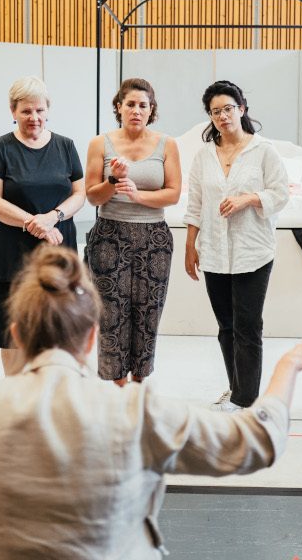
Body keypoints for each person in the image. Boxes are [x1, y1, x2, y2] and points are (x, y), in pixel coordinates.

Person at [0, 245, 302, 558]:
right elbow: (260, 441)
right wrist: (287, 367)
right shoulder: (137, 410)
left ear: (17, 335)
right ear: (91, 339)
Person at [184, 80, 289, 412]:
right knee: (226, 327)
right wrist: (191, 245)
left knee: (247, 326)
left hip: (252, 252)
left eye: (228, 108)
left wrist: (249, 198)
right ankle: (236, 388)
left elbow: (281, 192)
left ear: (242, 109)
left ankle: (247, 399)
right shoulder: (204, 156)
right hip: (214, 252)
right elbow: (196, 202)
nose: (222, 116)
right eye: (215, 112)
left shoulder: (263, 150)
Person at [0, 76, 85, 376]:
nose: (34, 118)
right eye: (26, 111)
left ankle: (52, 394)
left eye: (40, 110)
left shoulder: (65, 146)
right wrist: (32, 222)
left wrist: (53, 216)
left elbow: (80, 193)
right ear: (13, 111)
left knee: (56, 325)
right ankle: (15, 396)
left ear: (48, 109)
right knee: (11, 330)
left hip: (57, 250)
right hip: (10, 252)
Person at [84, 78, 180, 386]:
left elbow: (173, 193)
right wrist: (113, 181)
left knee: (148, 311)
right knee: (111, 312)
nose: (136, 110)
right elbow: (92, 197)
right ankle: (118, 383)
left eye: (143, 105)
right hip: (109, 235)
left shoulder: (167, 144)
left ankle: (139, 379)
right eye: (130, 104)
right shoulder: (101, 144)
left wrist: (139, 196)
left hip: (154, 237)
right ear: (118, 107)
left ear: (152, 110)